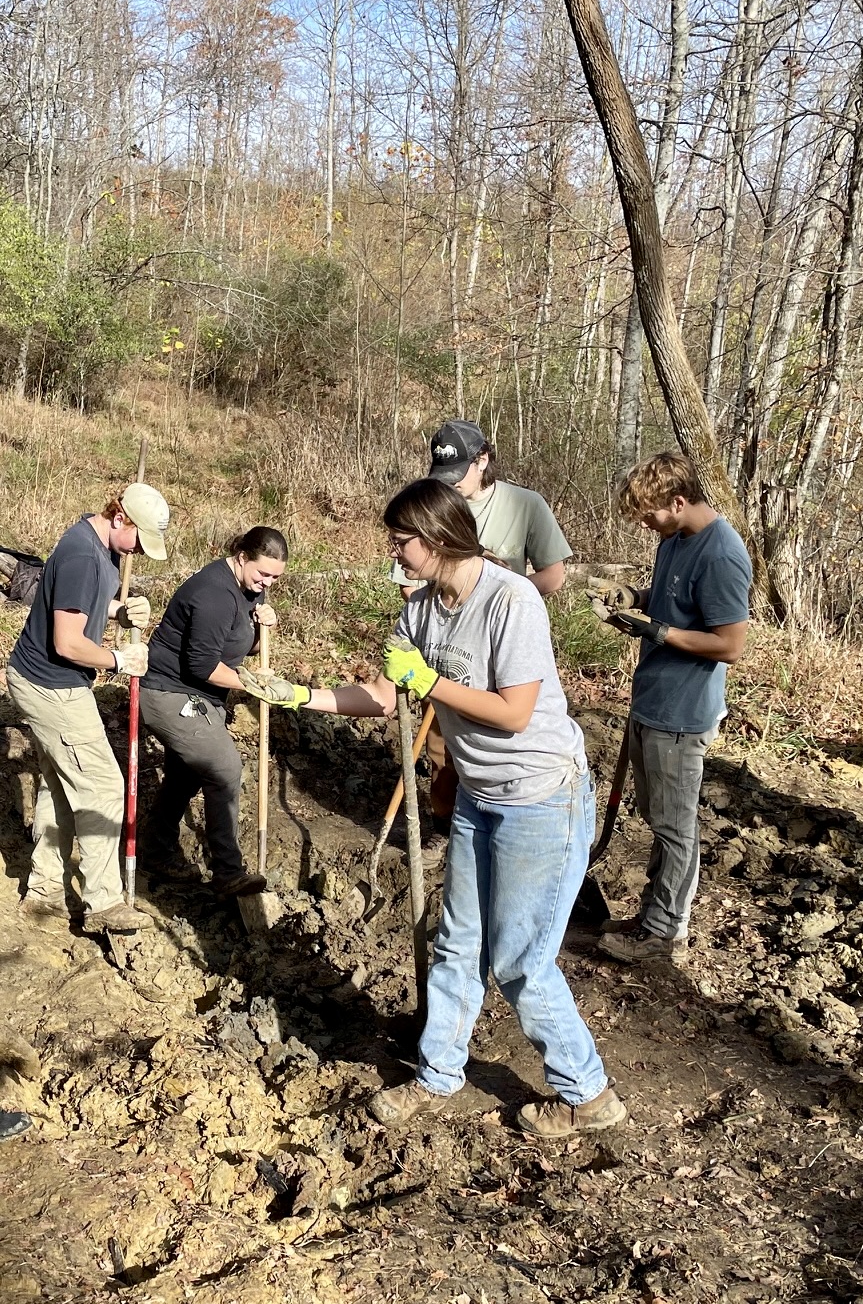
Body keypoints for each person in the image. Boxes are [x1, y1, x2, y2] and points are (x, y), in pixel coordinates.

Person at [240, 479, 626, 1138]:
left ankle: (587, 1093)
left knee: (520, 959)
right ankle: (437, 1072)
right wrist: (296, 693)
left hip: (541, 797)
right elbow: (384, 695)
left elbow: (515, 710)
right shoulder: (419, 612)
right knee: (456, 942)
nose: (392, 550)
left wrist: (430, 681)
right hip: (478, 795)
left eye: (400, 539)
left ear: (439, 536)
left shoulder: (512, 601)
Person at [591, 452, 752, 965]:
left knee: (675, 826)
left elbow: (729, 645)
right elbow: (672, 604)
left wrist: (659, 632)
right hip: (652, 698)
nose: (645, 523)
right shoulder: (675, 539)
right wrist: (633, 598)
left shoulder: (722, 554)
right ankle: (653, 915)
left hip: (683, 712)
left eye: (650, 514)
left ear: (678, 501)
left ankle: (663, 932)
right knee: (661, 819)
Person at [391, 420, 573, 837]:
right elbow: (409, 589)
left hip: (528, 782)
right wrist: (299, 696)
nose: (449, 485)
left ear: (483, 461)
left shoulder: (524, 513)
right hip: (447, 663)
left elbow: (553, 575)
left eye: (456, 476)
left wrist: (502, 602)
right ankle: (445, 829)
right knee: (443, 753)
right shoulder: (422, 515)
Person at [6, 484, 170, 933]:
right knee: (103, 787)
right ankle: (103, 903)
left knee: (60, 783)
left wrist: (118, 612)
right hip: (51, 686)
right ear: (120, 518)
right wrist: (119, 659)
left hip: (41, 679)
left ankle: (43, 892)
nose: (139, 549)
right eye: (138, 538)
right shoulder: (82, 556)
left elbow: (78, 606)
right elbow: (68, 641)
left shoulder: (97, 546)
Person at [138, 527, 287, 897]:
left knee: (186, 775)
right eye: (262, 574)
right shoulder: (213, 594)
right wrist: (254, 685)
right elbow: (203, 665)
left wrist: (262, 628)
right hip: (171, 693)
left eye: (274, 577)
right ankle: (228, 872)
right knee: (224, 769)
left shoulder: (249, 588)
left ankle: (155, 850)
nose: (266, 582)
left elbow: (237, 645)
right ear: (241, 557)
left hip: (201, 696)